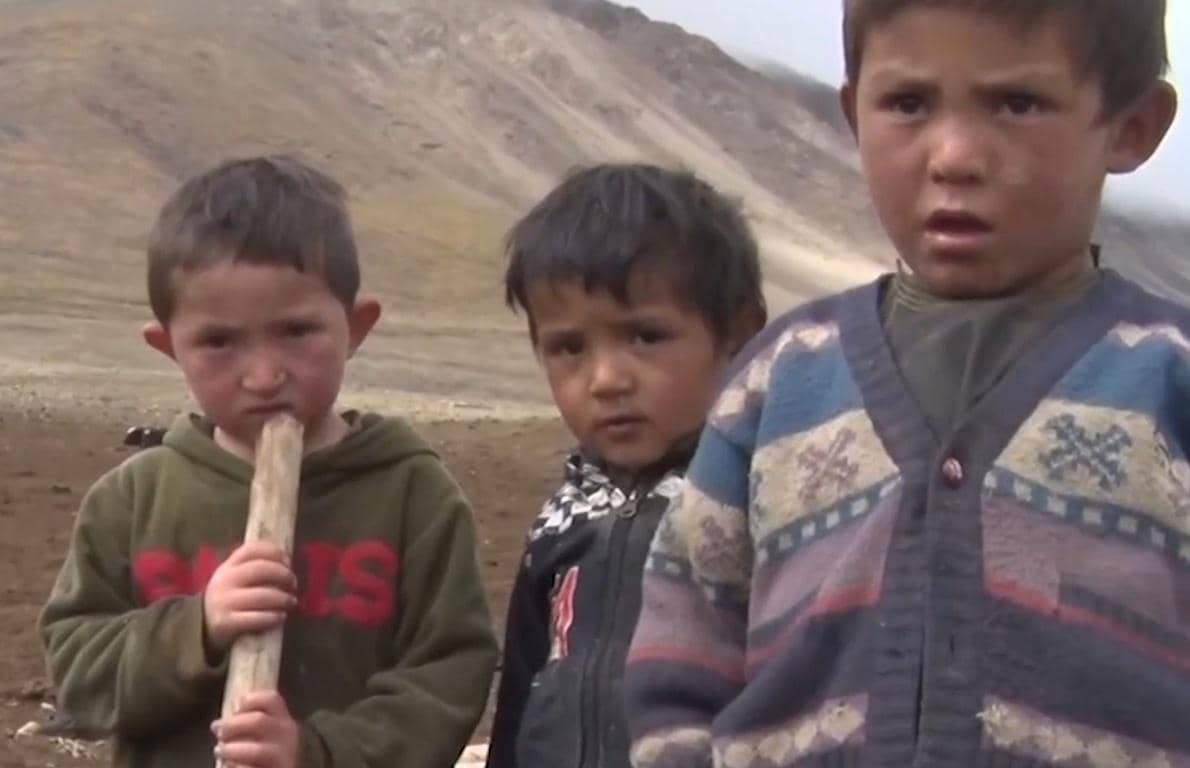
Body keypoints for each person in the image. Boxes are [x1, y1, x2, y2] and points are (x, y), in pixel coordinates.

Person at [625, 2, 1188, 765]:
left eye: (1016, 103)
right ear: (854, 112)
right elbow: (684, 645)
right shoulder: (778, 381)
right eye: (909, 104)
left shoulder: (1171, 376)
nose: (953, 155)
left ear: (1132, 126)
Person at [39, 155, 497, 768]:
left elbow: (449, 676)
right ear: (168, 346)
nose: (264, 375)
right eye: (219, 342)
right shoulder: (131, 501)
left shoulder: (414, 493)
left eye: (297, 331)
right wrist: (197, 625)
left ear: (356, 328)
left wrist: (318, 752)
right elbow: (79, 670)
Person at [486, 163, 767, 768]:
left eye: (644, 336)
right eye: (568, 348)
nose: (607, 380)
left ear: (739, 335)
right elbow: (520, 697)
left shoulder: (755, 506)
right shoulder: (560, 523)